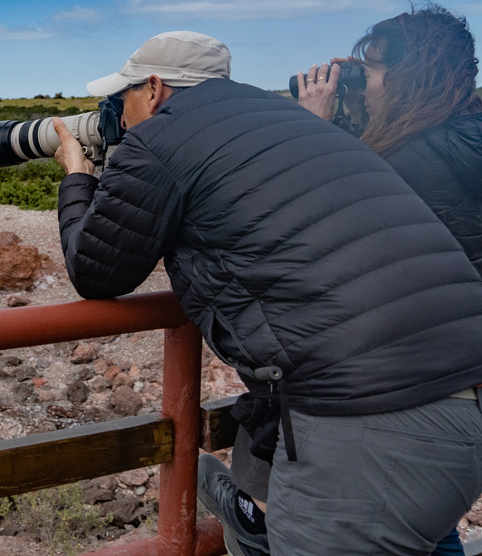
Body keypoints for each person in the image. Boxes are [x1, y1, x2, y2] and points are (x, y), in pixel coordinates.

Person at [51, 29, 482, 556]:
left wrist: (77, 176)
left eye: (122, 99)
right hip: (461, 398)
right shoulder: (291, 119)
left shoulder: (160, 138)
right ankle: (251, 514)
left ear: (154, 89)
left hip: (367, 422)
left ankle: (247, 513)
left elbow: (96, 270)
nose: (119, 114)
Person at [203, 5, 482, 556]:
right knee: (422, 519)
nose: (364, 86)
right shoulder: (460, 141)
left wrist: (314, 127)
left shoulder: (412, 161)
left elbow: (311, 227)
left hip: (405, 388)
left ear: (408, 79)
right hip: (455, 389)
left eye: (370, 73)